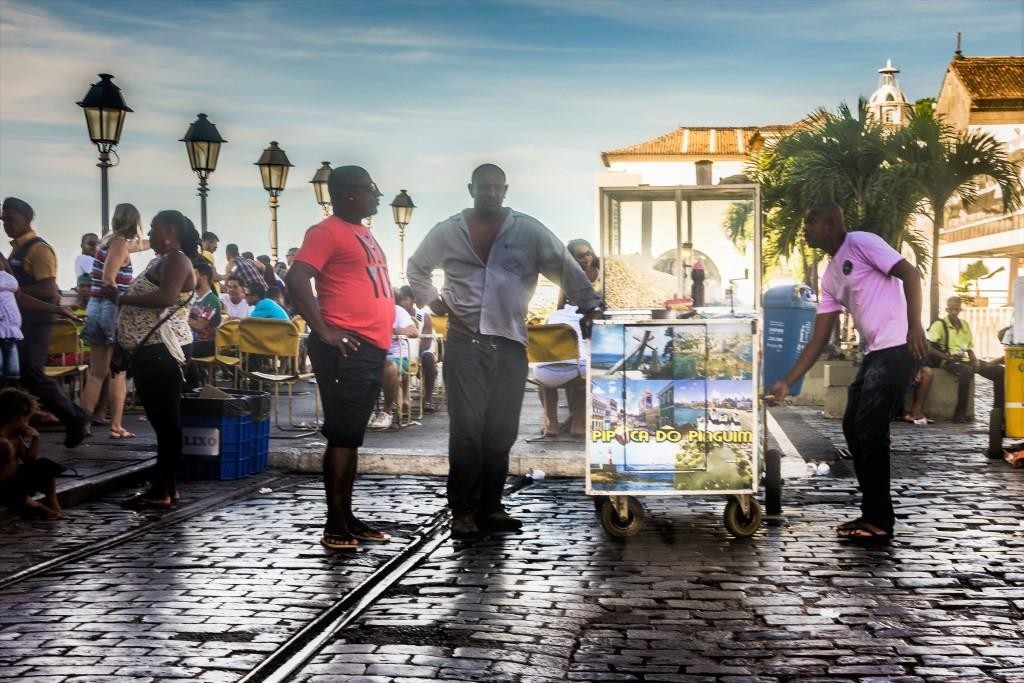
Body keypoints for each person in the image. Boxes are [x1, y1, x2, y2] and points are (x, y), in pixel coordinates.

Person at [408, 164, 602, 539]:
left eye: (497, 188)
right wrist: (431, 299)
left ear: (506, 190)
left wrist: (590, 305)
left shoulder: (528, 230)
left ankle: (492, 505)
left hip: (511, 343)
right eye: (484, 188)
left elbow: (564, 266)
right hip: (466, 343)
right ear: (471, 189)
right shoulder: (449, 230)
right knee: (467, 431)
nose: (491, 194)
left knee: (501, 430)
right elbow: (417, 268)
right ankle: (463, 510)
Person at [767, 201, 927, 542]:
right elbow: (819, 337)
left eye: (810, 223)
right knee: (853, 426)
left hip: (899, 346)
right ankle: (873, 513)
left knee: (870, 427)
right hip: (875, 354)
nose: (805, 230)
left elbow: (910, 274)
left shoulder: (862, 242)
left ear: (829, 225)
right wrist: (787, 381)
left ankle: (880, 518)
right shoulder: (830, 276)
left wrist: (915, 326)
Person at [285, 165, 395, 551]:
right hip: (345, 348)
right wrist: (324, 329)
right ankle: (335, 524)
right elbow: (296, 279)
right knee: (343, 436)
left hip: (368, 347)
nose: (377, 195)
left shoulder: (362, 231)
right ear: (350, 193)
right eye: (371, 188)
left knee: (352, 437)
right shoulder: (325, 231)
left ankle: (346, 516)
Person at [102, 210, 197, 509]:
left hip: (162, 351)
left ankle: (161, 489)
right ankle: (167, 485)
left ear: (170, 232)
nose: (149, 235)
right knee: (162, 420)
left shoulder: (177, 259)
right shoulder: (162, 261)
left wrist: (120, 298)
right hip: (148, 350)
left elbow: (166, 298)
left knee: (166, 421)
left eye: (154, 229)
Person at [3, 197, 91, 448]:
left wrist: (12, 290)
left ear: (26, 219)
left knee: (32, 373)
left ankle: (75, 416)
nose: (6, 223)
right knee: (18, 374)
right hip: (21, 322)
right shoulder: (17, 250)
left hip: (36, 322)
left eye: (11, 218)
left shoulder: (38, 249)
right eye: (3, 219)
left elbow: (49, 290)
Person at [80, 203, 142, 440]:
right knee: (118, 372)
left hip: (94, 308)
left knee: (96, 373)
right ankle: (116, 426)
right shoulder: (119, 244)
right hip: (110, 309)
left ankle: (83, 423)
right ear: (134, 222)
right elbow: (109, 278)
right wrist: (122, 300)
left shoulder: (107, 241)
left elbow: (135, 246)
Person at [0, 253, 79, 387]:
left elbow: (19, 297)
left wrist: (58, 309)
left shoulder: (3, 265)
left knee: (11, 378)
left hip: (10, 334)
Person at [0, 388, 67, 519]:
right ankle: (39, 508)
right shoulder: (3, 442)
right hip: (3, 486)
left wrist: (35, 438)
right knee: (10, 491)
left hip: (14, 481)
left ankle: (52, 502)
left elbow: (28, 459)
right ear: (19, 418)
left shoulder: (15, 436)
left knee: (44, 466)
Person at [530, 304, 588, 442]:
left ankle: (553, 426)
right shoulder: (586, 316)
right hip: (576, 371)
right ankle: (578, 425)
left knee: (545, 384)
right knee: (584, 384)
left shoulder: (553, 316)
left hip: (545, 373)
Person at [369, 289, 419, 431]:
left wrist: (391, 331)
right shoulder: (367, 309)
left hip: (397, 356)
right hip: (372, 355)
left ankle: (386, 411)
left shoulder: (398, 311)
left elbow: (414, 332)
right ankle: (366, 411)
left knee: (388, 367)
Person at [925, 295, 976, 424]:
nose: (953, 312)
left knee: (998, 372)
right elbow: (929, 348)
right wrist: (948, 357)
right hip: (947, 361)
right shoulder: (939, 325)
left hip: (964, 360)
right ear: (947, 309)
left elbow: (969, 347)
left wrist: (974, 359)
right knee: (966, 371)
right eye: (951, 309)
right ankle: (959, 414)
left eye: (956, 309)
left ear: (960, 310)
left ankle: (1002, 415)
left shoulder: (964, 325)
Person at [186, 260, 221, 388]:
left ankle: (195, 381)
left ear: (204, 277)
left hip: (206, 344)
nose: (190, 278)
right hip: (191, 340)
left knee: (178, 351)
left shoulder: (212, 300)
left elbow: (200, 325)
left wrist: (183, 319)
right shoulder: (191, 297)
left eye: (194, 274)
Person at [557, 238, 601, 308]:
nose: (586, 258)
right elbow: (561, 303)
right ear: (572, 258)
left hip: (597, 313)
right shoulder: (569, 276)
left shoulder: (602, 271)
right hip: (575, 313)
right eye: (581, 256)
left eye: (588, 253)